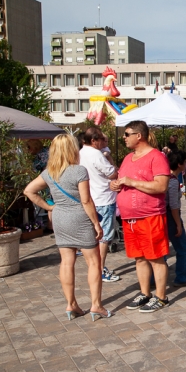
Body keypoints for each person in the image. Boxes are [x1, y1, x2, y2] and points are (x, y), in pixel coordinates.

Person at [23, 134, 111, 321]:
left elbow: (29, 190)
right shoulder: (79, 171)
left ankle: (71, 305)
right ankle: (96, 305)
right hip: (79, 217)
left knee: (66, 262)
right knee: (93, 262)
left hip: (60, 218)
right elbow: (86, 201)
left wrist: (49, 207)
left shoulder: (49, 172)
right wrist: (96, 223)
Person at [112, 121, 171, 313]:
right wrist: (116, 185)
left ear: (139, 136)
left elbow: (161, 186)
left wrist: (132, 182)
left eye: (127, 134)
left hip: (150, 216)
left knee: (155, 257)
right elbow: (123, 180)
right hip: (130, 218)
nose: (124, 137)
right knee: (139, 258)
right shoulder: (128, 158)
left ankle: (161, 297)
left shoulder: (157, 157)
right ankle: (145, 293)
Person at [79, 127, 120, 283]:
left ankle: (95, 267)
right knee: (104, 237)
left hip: (90, 198)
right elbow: (112, 173)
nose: (104, 142)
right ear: (94, 140)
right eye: (102, 139)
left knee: (94, 236)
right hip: (103, 198)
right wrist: (110, 159)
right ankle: (100, 269)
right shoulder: (96, 154)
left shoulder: (81, 153)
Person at [165, 150, 186, 287]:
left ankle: (154, 278)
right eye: (185, 162)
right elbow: (173, 206)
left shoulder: (165, 177)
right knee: (182, 249)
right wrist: (178, 224)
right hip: (170, 217)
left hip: (162, 216)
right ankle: (182, 278)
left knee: (163, 250)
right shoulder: (172, 181)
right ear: (179, 164)